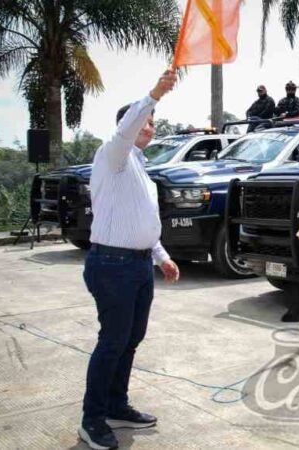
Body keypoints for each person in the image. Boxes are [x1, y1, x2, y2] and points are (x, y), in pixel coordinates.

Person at [79, 70, 181, 450]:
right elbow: (128, 128)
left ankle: (116, 406)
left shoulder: (141, 170)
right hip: (111, 266)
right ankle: (92, 420)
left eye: (153, 123)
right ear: (127, 124)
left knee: (130, 340)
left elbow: (143, 223)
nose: (149, 126)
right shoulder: (113, 155)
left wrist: (162, 257)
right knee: (113, 341)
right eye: (144, 120)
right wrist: (154, 94)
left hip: (138, 266)